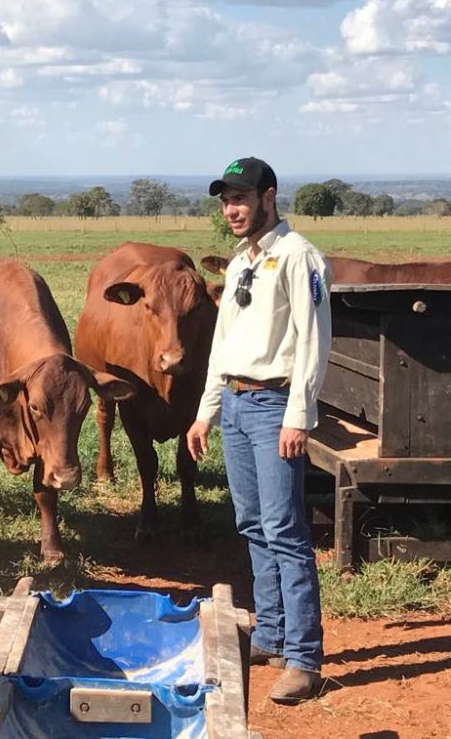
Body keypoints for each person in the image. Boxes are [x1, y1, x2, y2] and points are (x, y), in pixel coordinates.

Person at [186, 157, 331, 704]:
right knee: (251, 524)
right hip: (239, 406)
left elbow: (313, 340)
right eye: (226, 200)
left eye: (242, 198)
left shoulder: (299, 256)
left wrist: (299, 414)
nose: (232, 209)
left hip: (274, 406)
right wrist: (207, 412)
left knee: (286, 530)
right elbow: (222, 346)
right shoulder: (242, 261)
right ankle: (269, 633)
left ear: (269, 196)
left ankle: (305, 657)